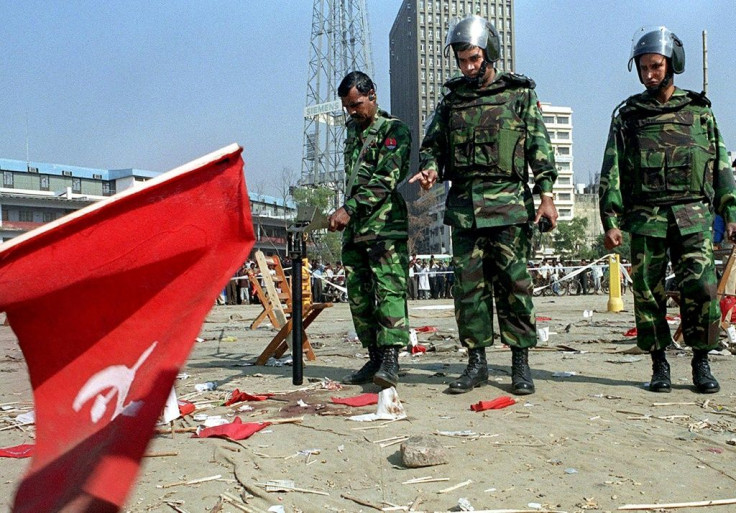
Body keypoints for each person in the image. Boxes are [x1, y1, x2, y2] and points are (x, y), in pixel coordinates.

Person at [409, 15, 558, 395]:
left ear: (489, 53)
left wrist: (546, 197)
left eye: (474, 59)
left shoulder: (518, 96)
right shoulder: (452, 101)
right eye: (462, 61)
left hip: (509, 207)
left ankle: (520, 366)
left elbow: (540, 149)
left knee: (514, 286)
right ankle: (476, 364)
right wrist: (429, 170)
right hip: (464, 211)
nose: (468, 67)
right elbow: (433, 148)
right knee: (469, 290)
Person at [599, 26, 736, 394]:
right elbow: (612, 169)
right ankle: (659, 363)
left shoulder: (698, 112)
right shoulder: (628, 115)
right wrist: (610, 220)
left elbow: (720, 166)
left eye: (656, 66)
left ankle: (701, 361)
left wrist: (732, 213)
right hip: (647, 220)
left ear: (672, 63)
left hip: (692, 217)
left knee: (703, 289)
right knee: (648, 294)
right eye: (643, 68)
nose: (649, 74)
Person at [329, 71, 411, 389]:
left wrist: (349, 209)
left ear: (372, 95)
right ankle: (374, 356)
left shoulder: (395, 131)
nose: (352, 111)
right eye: (347, 106)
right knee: (360, 297)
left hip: (385, 227)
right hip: (356, 228)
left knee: (388, 293)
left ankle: (390, 361)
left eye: (356, 104)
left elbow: (386, 179)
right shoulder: (351, 131)